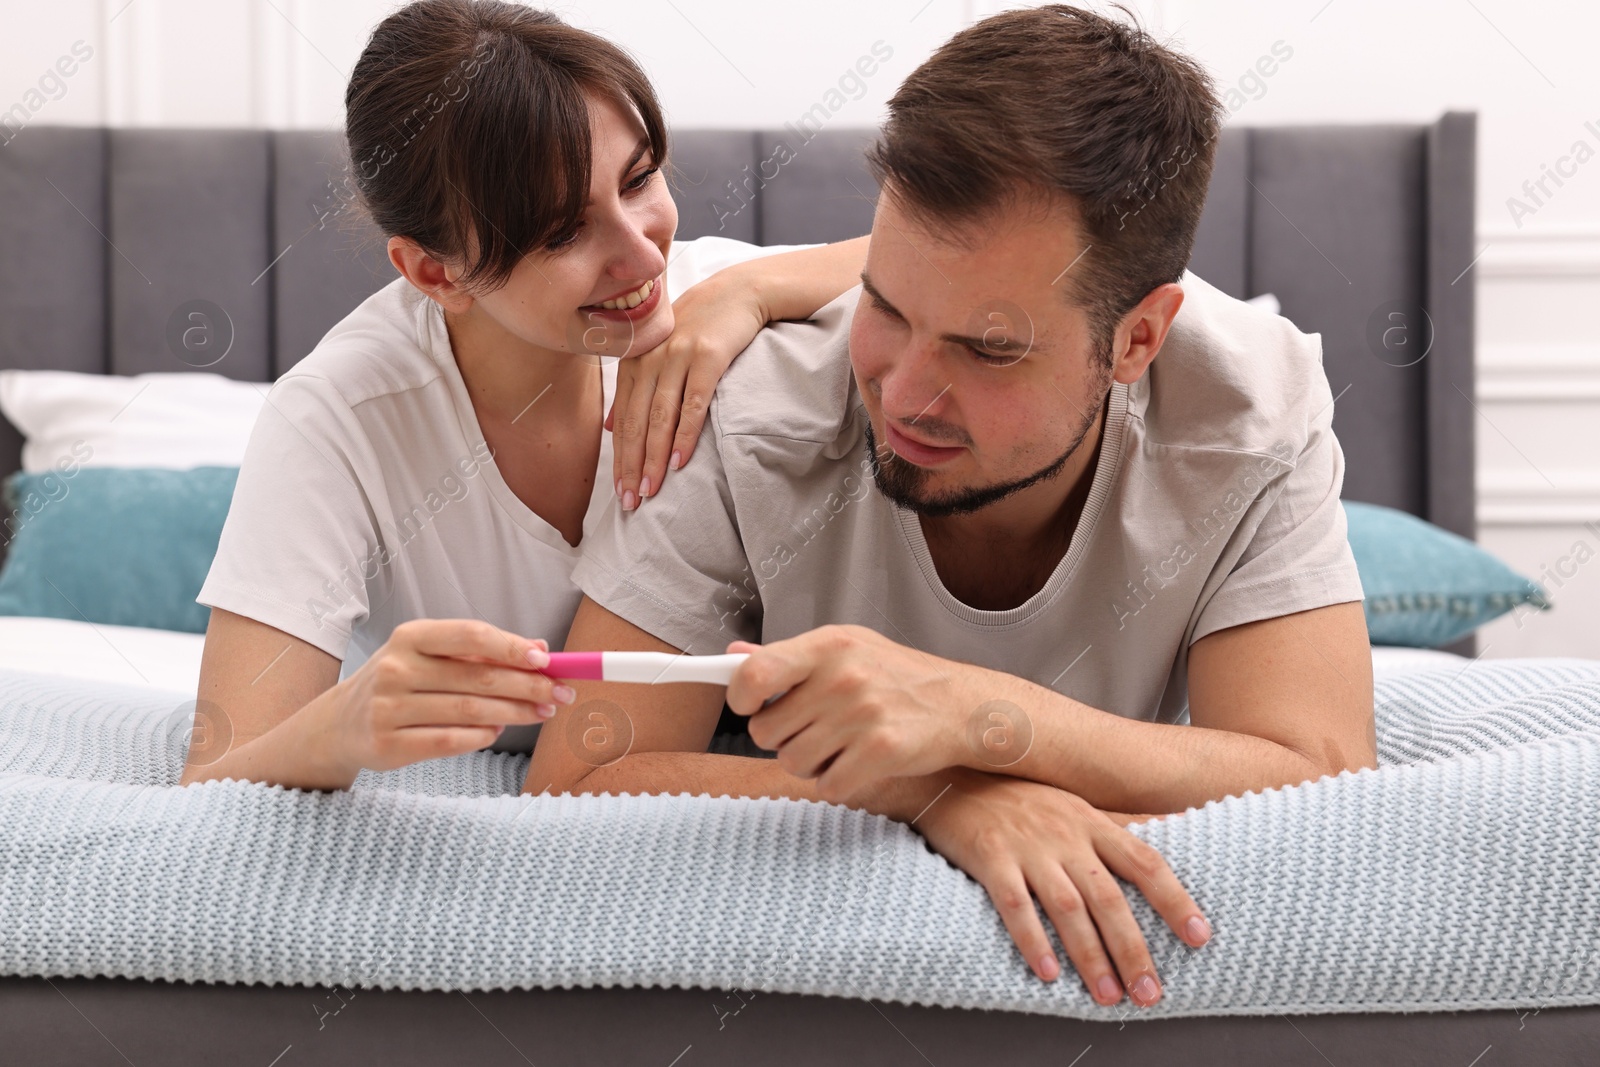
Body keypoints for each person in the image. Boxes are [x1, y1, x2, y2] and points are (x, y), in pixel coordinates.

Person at [527, 5, 1378, 1010]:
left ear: (1137, 340)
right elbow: (576, 779)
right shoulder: (739, 407)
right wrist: (935, 789)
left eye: (988, 348)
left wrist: (979, 716)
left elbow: (1320, 772)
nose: (903, 393)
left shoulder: (1248, 412)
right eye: (883, 306)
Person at [179, 0, 868, 791]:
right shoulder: (339, 418)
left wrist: (753, 286)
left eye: (640, 178)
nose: (642, 254)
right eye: (563, 234)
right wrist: (342, 725)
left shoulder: (703, 303)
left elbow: (934, 263)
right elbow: (216, 779)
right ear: (437, 273)